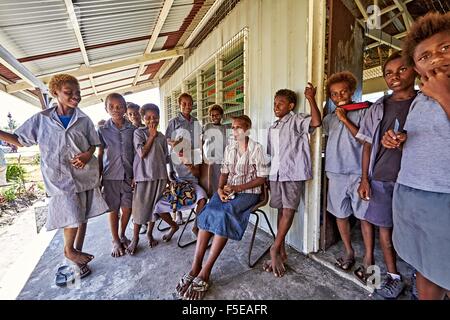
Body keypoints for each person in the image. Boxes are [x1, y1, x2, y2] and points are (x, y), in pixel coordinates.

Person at [0, 74, 108, 284]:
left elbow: (93, 144)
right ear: (56, 93)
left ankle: (76, 254)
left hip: (83, 176)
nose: (75, 97)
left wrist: (87, 154)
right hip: (59, 178)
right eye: (69, 93)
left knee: (81, 217)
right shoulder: (42, 119)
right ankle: (70, 251)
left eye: (77, 93)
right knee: (72, 216)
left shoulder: (83, 120)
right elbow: (20, 140)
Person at [381, 12, 450, 300]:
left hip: (442, 195)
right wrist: (398, 139)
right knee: (425, 266)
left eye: (445, 48)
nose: (434, 59)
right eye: (424, 57)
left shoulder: (439, 91)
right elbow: (423, 135)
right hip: (410, 191)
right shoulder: (421, 98)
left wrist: (445, 96)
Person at [176, 115, 269, 300]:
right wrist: (219, 189)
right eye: (233, 128)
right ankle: (196, 266)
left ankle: (206, 271)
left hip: (249, 193)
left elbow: (262, 178)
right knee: (209, 210)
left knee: (224, 214)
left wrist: (238, 188)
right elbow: (224, 173)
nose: (235, 131)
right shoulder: (230, 148)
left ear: (248, 129)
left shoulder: (256, 149)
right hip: (228, 190)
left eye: (239, 128)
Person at [356, 51, 417, 298]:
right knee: (385, 229)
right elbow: (367, 145)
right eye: (388, 73)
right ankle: (393, 276)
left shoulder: (425, 103)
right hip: (381, 177)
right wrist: (364, 178)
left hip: (413, 180)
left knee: (415, 231)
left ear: (414, 69)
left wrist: (408, 139)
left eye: (402, 70)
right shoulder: (378, 107)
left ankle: (419, 278)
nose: (395, 77)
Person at [263, 86, 321, 277]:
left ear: (291, 105)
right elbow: (270, 154)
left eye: (280, 103)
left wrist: (311, 98)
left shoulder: (297, 120)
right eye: (274, 103)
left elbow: (316, 122)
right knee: (281, 210)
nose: (276, 106)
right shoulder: (273, 127)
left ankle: (274, 248)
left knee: (289, 211)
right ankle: (281, 251)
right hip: (276, 174)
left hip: (293, 173)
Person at [322, 71, 370, 272]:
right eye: (334, 94)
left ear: (351, 92)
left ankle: (368, 256)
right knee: (340, 214)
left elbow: (364, 140)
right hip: (335, 172)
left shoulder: (363, 112)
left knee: (364, 216)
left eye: (343, 92)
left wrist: (345, 119)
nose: (339, 96)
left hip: (358, 173)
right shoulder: (329, 119)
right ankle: (349, 251)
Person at [127, 104, 169, 254]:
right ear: (143, 119)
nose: (152, 120)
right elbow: (142, 153)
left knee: (154, 209)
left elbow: (165, 158)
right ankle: (135, 238)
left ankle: (150, 234)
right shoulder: (139, 133)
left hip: (160, 177)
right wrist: (151, 136)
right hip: (144, 177)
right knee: (139, 209)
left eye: (155, 117)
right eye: (148, 118)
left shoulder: (162, 137)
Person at [98, 93, 135, 257]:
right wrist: (99, 177)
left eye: (120, 106)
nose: (116, 109)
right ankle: (115, 240)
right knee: (113, 209)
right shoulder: (102, 130)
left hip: (128, 174)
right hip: (110, 175)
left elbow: (136, 153)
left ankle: (122, 234)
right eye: (111, 106)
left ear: (125, 108)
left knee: (127, 207)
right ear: (106, 108)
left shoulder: (132, 129)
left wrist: (136, 175)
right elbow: (100, 154)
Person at [165, 92, 203, 226]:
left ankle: (197, 219)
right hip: (179, 157)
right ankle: (179, 213)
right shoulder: (174, 122)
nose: (187, 106)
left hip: (194, 154)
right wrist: (175, 144)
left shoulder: (196, 121)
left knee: (194, 180)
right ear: (179, 105)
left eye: (190, 104)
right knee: (179, 182)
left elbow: (199, 139)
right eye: (184, 104)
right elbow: (167, 139)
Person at [202, 104, 227, 192]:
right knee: (210, 184)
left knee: (220, 183)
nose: (214, 117)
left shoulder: (225, 128)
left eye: (217, 115)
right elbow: (201, 141)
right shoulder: (207, 126)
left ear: (221, 116)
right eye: (212, 115)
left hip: (222, 160)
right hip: (210, 160)